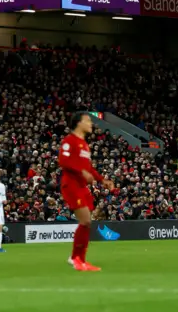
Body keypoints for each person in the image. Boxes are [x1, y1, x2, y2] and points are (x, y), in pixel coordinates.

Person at [58, 112, 114, 272]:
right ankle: (77, 259)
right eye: (88, 120)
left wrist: (102, 180)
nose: (91, 123)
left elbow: (88, 167)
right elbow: (64, 161)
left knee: (87, 222)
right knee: (85, 221)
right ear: (78, 123)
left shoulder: (84, 144)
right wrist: (81, 172)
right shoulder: (69, 141)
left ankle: (78, 258)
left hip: (82, 187)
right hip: (71, 185)